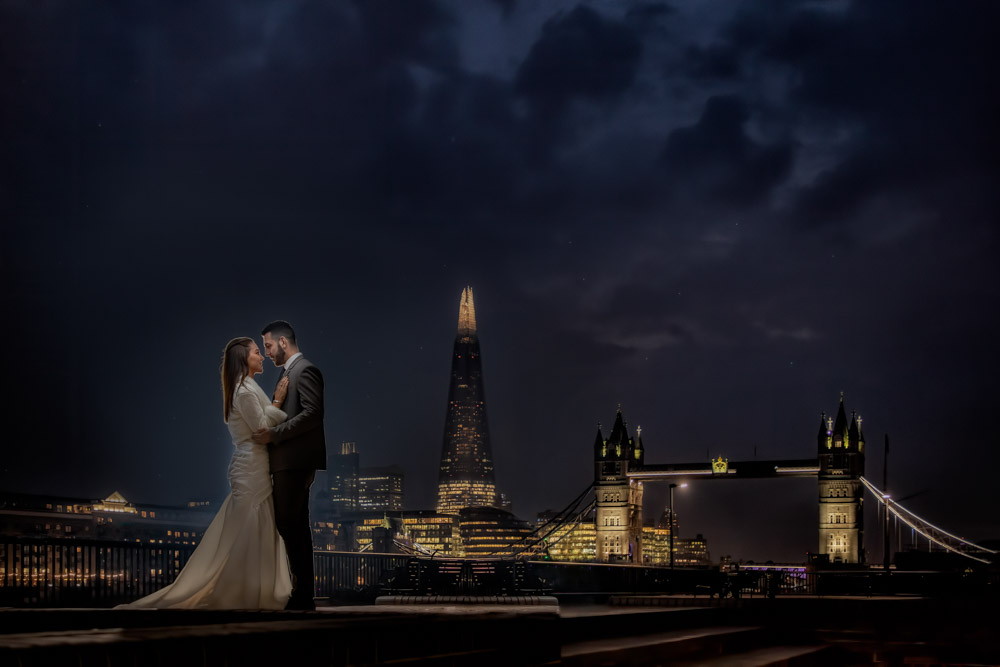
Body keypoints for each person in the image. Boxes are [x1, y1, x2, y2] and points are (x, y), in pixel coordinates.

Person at [120, 337, 292, 609]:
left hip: (253, 467)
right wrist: (278, 401)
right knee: (249, 527)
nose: (262, 357)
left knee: (252, 527)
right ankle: (245, 592)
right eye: (257, 353)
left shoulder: (244, 387)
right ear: (244, 359)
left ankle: (252, 590)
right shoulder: (245, 391)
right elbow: (261, 430)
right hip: (250, 467)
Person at [252, 320, 326, 611]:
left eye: (268, 345)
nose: (267, 352)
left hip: (294, 461)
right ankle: (303, 593)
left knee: (288, 522)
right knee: (295, 524)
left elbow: (313, 414)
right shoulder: (288, 373)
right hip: (290, 461)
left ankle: (302, 592)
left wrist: (274, 435)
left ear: (283, 342)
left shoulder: (304, 370)